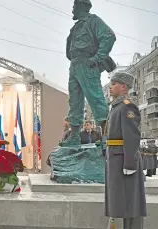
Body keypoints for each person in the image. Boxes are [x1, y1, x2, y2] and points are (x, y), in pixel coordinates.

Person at [61, 0, 116, 146]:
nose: (72, 10)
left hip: (87, 64)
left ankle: (105, 137)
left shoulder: (93, 21)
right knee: (74, 101)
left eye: (74, 7)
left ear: (81, 6)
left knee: (96, 98)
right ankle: (74, 136)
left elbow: (109, 37)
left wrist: (96, 58)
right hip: (75, 65)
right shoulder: (76, 27)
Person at [105, 72, 146, 229]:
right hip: (116, 158)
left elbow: (132, 137)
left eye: (114, 84)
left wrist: (130, 163)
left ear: (123, 87)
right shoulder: (116, 107)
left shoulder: (127, 106)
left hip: (123, 159)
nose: (110, 87)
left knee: (130, 201)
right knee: (119, 201)